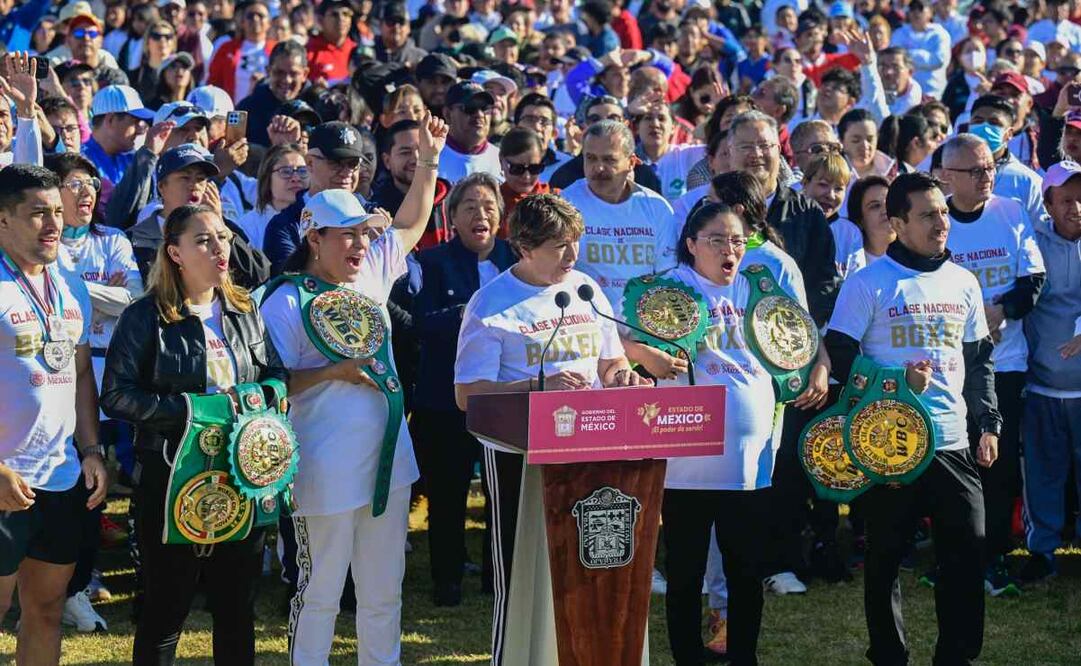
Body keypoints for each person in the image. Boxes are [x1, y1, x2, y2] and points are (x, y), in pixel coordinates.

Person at [260, 111, 447, 666]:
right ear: (314, 238)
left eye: (364, 233)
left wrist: (430, 161)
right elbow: (270, 387)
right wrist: (331, 372)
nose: (360, 245)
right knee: (318, 595)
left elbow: (411, 223)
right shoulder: (283, 300)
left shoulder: (370, 270)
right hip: (322, 466)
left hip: (389, 461)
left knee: (384, 592)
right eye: (346, 236)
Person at [454, 193, 650, 666]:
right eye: (560, 245)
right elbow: (467, 394)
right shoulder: (492, 302)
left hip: (591, 449)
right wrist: (536, 386)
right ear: (524, 246)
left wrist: (622, 377)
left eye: (576, 242)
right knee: (522, 575)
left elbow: (610, 359)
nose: (572, 255)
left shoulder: (583, 289)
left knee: (588, 566)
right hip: (517, 455)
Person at [825, 171, 1001, 666]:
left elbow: (979, 360)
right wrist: (895, 381)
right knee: (884, 564)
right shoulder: (868, 282)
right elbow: (838, 353)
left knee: (966, 558)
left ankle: (957, 657)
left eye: (943, 212)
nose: (941, 222)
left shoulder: (964, 282)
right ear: (897, 222)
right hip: (888, 444)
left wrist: (987, 423)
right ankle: (889, 655)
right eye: (927, 215)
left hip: (951, 442)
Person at [101, 203, 286, 665]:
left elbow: (278, 376)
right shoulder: (145, 316)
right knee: (166, 610)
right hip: (169, 479)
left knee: (237, 610)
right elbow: (116, 396)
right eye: (203, 240)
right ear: (175, 253)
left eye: (222, 237)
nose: (219, 248)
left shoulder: (246, 309)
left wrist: (258, 399)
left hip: (241, 476)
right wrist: (192, 411)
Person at [649, 201, 815, 665]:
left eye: (737, 240)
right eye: (717, 240)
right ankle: (688, 657)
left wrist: (814, 367)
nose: (729, 249)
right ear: (690, 245)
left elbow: (800, 345)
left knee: (746, 569)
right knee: (686, 570)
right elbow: (626, 341)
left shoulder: (760, 292)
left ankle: (744, 655)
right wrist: (649, 357)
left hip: (750, 454)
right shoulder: (671, 290)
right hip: (688, 456)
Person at [0, 163, 106, 666]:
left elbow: (82, 374)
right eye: (38, 213)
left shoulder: (69, 287)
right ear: (2, 220)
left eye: (57, 213)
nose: (53, 224)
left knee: (44, 608)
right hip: (4, 476)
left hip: (60, 476)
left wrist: (90, 449)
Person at [939, 134, 1046, 596]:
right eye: (976, 171)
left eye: (990, 168)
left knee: (997, 466)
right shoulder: (935, 220)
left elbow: (1033, 279)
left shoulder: (1010, 212)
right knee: (951, 463)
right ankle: (953, 556)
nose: (987, 177)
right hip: (947, 368)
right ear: (948, 177)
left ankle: (994, 554)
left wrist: (1001, 311)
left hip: (1005, 362)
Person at [410, 172, 516, 607]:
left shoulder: (517, 260)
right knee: (448, 494)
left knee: (503, 494)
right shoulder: (431, 262)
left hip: (507, 398)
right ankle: (447, 577)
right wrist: (471, 313)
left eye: (489, 206)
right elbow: (418, 322)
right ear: (451, 216)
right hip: (445, 400)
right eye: (470, 206)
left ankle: (500, 577)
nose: (481, 214)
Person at [46, 152, 143, 633]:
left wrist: (75, 288)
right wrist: (94, 293)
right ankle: (50, 584)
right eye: (73, 183)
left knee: (96, 482)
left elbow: (133, 300)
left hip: (111, 382)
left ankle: (80, 584)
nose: (86, 193)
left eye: (90, 183)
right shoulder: (42, 246)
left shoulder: (114, 240)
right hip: (58, 381)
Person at [1019, 159, 1081, 584]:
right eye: (1067, 200)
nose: (1077, 208)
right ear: (1048, 202)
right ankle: (1041, 552)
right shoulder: (1031, 243)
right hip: (1041, 387)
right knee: (1042, 475)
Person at [726, 110, 840, 328]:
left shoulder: (807, 212)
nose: (756, 154)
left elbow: (823, 282)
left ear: (779, 151)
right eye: (746, 147)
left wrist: (796, 330)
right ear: (729, 152)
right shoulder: (712, 210)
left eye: (764, 145)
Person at [561, 120, 679, 310]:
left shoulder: (657, 208)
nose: (598, 168)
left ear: (631, 162)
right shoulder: (566, 204)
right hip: (584, 318)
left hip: (642, 321)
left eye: (609, 160)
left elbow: (667, 275)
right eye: (590, 158)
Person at [126, 143, 269, 290]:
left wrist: (219, 228)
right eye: (185, 178)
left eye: (200, 179)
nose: (194, 185)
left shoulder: (224, 228)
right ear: (162, 187)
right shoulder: (136, 238)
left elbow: (257, 275)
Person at [263, 121, 371, 273]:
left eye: (353, 164)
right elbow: (292, 279)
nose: (346, 172)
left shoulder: (372, 215)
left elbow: (408, 283)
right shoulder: (285, 225)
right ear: (310, 163)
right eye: (336, 162)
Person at [369, 119, 454, 249]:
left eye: (422, 150)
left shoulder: (452, 199)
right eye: (405, 152)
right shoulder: (375, 209)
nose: (415, 158)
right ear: (387, 161)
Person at [236, 40, 311, 147]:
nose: (287, 80)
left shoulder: (319, 106)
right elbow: (232, 148)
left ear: (305, 74)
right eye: (279, 73)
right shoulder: (245, 109)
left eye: (293, 73)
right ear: (268, 71)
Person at [235, 143, 308, 252]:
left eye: (302, 171)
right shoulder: (246, 227)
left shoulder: (320, 216)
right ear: (267, 179)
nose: (296, 178)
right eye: (285, 171)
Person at [82, 85, 153, 197]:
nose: (140, 131)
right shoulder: (81, 161)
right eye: (135, 122)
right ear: (110, 120)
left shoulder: (134, 159)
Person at [802, 152, 864, 280]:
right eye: (823, 185)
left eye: (838, 189)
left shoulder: (850, 233)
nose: (831, 195)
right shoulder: (790, 223)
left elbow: (856, 282)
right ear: (805, 183)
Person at [206, 0, 276, 101]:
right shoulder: (226, 49)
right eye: (250, 16)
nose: (255, 19)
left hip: (268, 112)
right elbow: (213, 83)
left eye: (260, 15)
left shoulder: (277, 50)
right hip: (232, 112)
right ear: (242, 22)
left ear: (269, 22)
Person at [438, 81, 502, 184]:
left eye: (485, 108)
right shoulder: (432, 157)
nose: (480, 114)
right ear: (447, 114)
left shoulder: (502, 160)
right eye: (470, 107)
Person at [888, 0, 950, 99]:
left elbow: (938, 61)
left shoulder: (940, 34)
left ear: (930, 12)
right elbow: (893, 59)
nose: (916, 12)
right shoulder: (899, 33)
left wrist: (908, 55)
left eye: (920, 8)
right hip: (905, 95)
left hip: (933, 93)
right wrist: (923, 57)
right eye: (912, 8)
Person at [498, 127, 555, 225]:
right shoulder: (492, 204)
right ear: (501, 162)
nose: (526, 176)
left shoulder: (556, 200)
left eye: (534, 168)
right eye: (517, 169)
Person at [846, 175, 895, 264]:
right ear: (860, 220)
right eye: (875, 206)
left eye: (889, 203)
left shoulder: (918, 255)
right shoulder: (849, 261)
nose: (886, 210)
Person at [305, 0, 355, 86]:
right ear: (321, 20)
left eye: (346, 14)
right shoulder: (309, 54)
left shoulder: (358, 51)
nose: (341, 19)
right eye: (334, 14)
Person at [127, 20, 177, 102]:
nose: (162, 40)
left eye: (168, 36)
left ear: (173, 42)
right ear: (147, 42)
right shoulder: (135, 76)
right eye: (156, 36)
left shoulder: (181, 74)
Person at [839, 108, 896, 179]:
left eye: (870, 140)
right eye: (856, 140)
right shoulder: (832, 173)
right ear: (841, 141)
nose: (865, 146)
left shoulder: (892, 172)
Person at [878, 47, 922, 117]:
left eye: (895, 67)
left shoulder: (923, 108)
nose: (888, 72)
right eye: (883, 67)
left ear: (910, 72)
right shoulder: (864, 97)